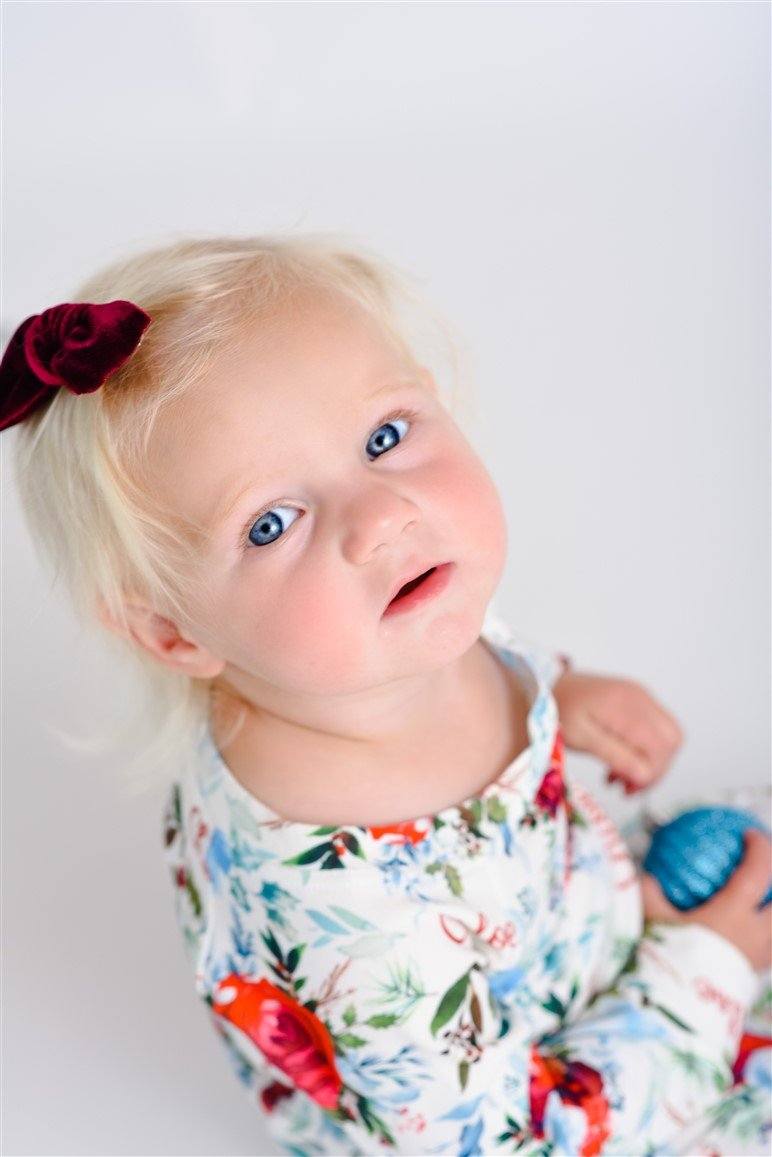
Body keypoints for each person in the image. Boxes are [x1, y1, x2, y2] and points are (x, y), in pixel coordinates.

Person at [4, 234, 770, 1156]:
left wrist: (558, 691)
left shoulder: (372, 639)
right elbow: (498, 1144)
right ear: (177, 633)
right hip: (542, 1112)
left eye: (384, 437)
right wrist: (705, 972)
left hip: (571, 922)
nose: (381, 518)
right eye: (271, 523)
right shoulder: (362, 929)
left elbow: (466, 641)